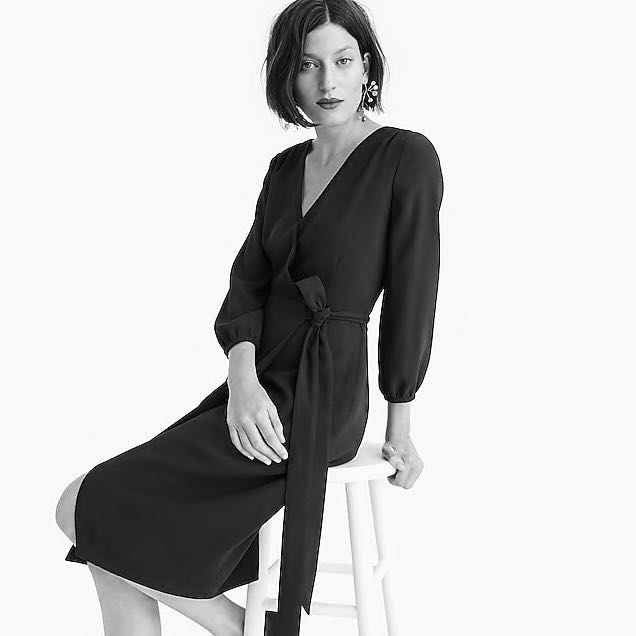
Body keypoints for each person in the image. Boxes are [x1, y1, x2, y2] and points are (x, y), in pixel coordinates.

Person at [55, 1, 444, 634]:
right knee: (94, 511)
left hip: (323, 396)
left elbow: (414, 293)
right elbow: (248, 283)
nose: (327, 82)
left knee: (88, 507)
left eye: (343, 61)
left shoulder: (405, 156)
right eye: (308, 66)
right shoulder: (285, 169)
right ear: (287, 76)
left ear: (366, 65)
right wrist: (241, 379)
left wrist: (401, 420)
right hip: (256, 385)